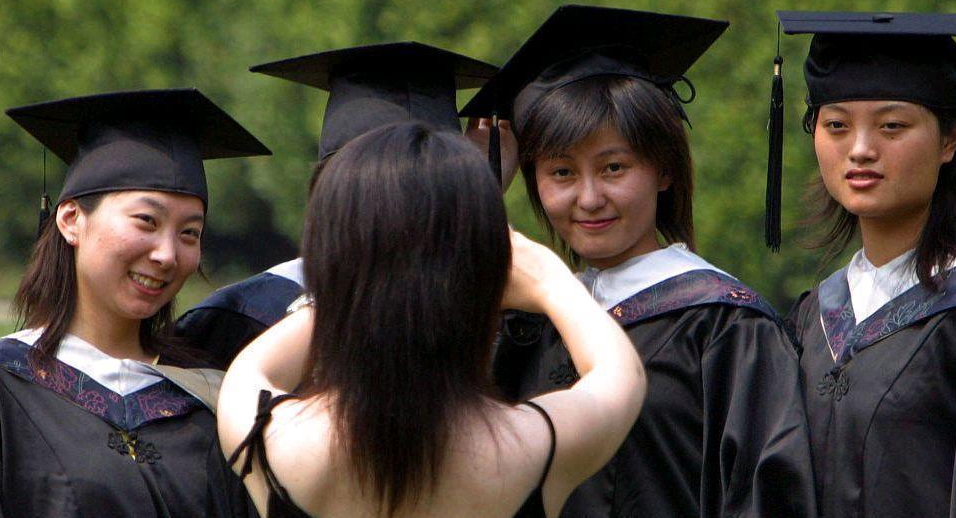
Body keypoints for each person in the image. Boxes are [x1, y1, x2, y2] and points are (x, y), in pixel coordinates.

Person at [464, 4, 817, 517]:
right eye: (561, 173)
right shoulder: (525, 322)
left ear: (664, 170)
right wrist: (470, 195)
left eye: (613, 167)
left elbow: (770, 498)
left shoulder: (725, 326)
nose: (589, 198)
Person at [217, 120, 646, 518]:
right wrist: (548, 279)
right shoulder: (532, 447)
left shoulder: (273, 440)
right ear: (489, 272)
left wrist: (362, 273)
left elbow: (252, 367)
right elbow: (618, 372)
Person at [0, 88, 271, 517]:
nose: (167, 254)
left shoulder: (212, 398)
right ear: (70, 220)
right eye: (146, 221)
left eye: (189, 233)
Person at [777, 11, 956, 517]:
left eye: (892, 126)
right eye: (836, 126)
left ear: (949, 141)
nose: (860, 150)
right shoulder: (814, 318)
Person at [176, 42, 499, 369]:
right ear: (324, 194)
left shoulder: (500, 319)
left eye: (424, 195)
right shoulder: (239, 318)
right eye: (367, 191)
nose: (396, 213)